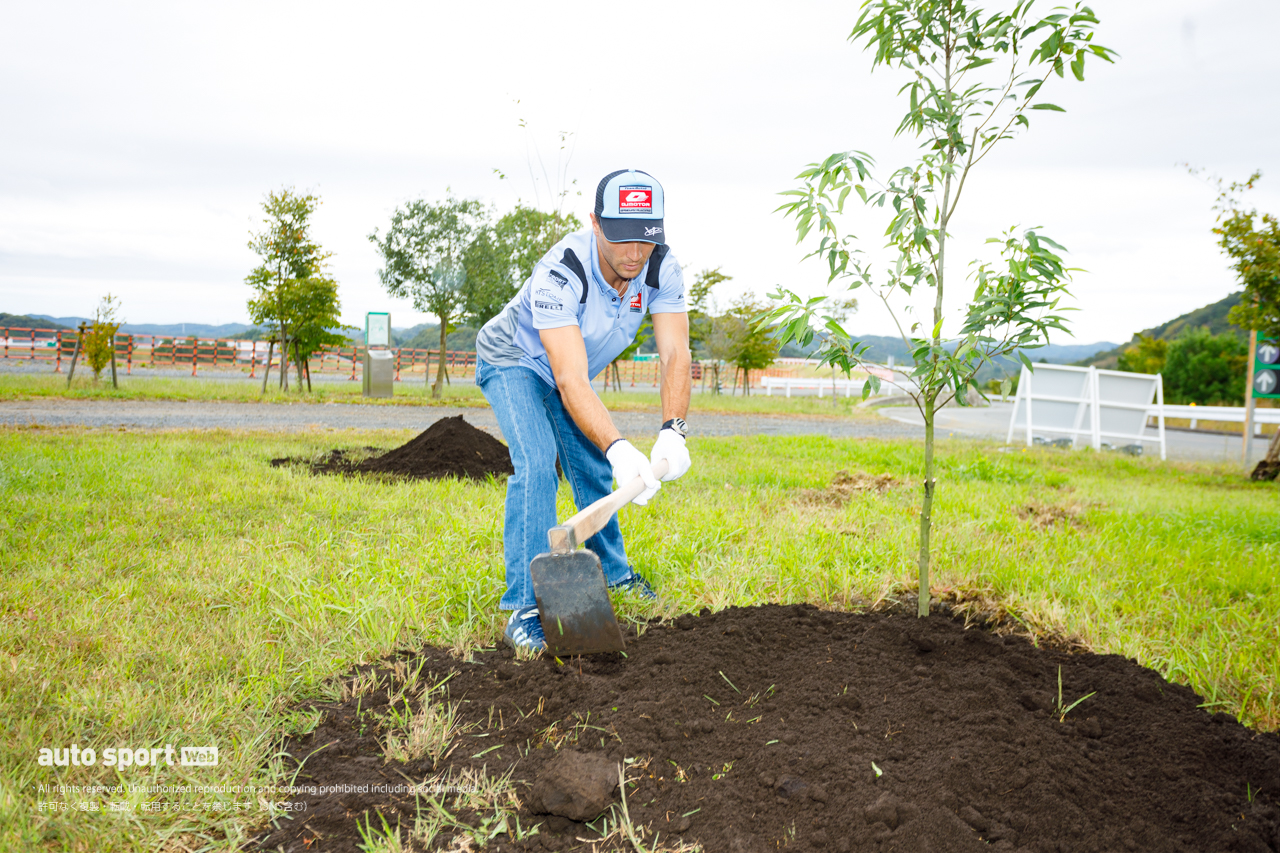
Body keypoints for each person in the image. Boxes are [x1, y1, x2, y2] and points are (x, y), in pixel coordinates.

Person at [474, 169, 693, 651]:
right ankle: (523, 607)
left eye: (646, 237)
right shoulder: (561, 271)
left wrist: (673, 430)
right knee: (536, 461)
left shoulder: (662, 267)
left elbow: (676, 353)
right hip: (514, 358)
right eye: (620, 237)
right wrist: (618, 446)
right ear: (595, 223)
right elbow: (570, 379)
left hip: (565, 370)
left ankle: (614, 574)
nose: (635, 253)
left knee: (590, 465)